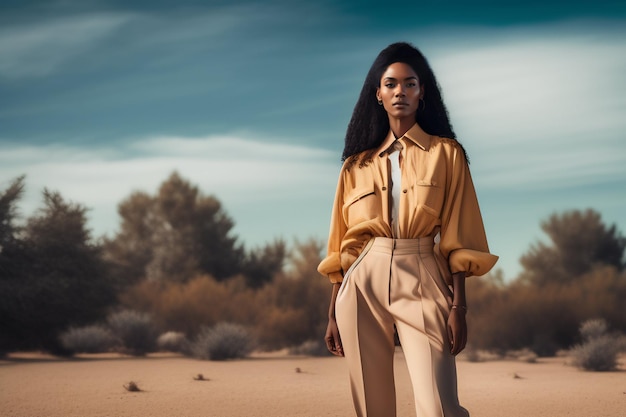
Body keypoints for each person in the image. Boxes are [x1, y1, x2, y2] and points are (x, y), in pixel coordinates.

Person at [318, 42, 498, 417]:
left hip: (422, 272)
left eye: (410, 83)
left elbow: (459, 233)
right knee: (372, 407)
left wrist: (458, 305)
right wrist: (332, 311)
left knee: (440, 406)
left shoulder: (447, 154)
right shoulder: (354, 166)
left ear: (422, 93)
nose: (401, 91)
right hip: (362, 279)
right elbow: (341, 244)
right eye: (391, 84)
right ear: (379, 95)